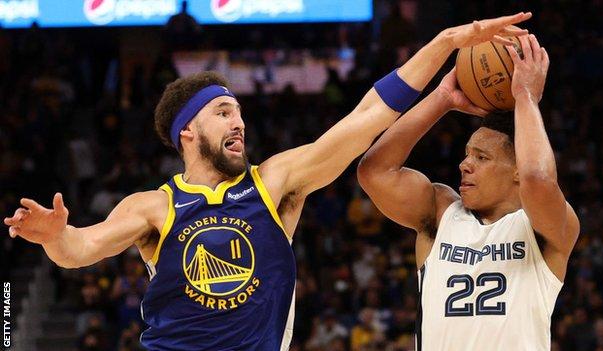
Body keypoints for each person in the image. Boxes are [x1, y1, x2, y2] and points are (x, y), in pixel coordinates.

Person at [4, 13, 531, 351]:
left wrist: (442, 42)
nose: (239, 122)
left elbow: (366, 117)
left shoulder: (275, 182)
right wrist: (54, 236)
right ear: (189, 131)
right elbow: (80, 249)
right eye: (223, 112)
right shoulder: (152, 208)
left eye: (239, 112)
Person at [357, 34, 580, 350]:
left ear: (517, 169)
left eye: (482, 157)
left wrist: (526, 97)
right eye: (467, 154)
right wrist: (442, 99)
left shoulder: (545, 228)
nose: (464, 164)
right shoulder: (441, 212)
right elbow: (374, 171)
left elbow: (539, 178)